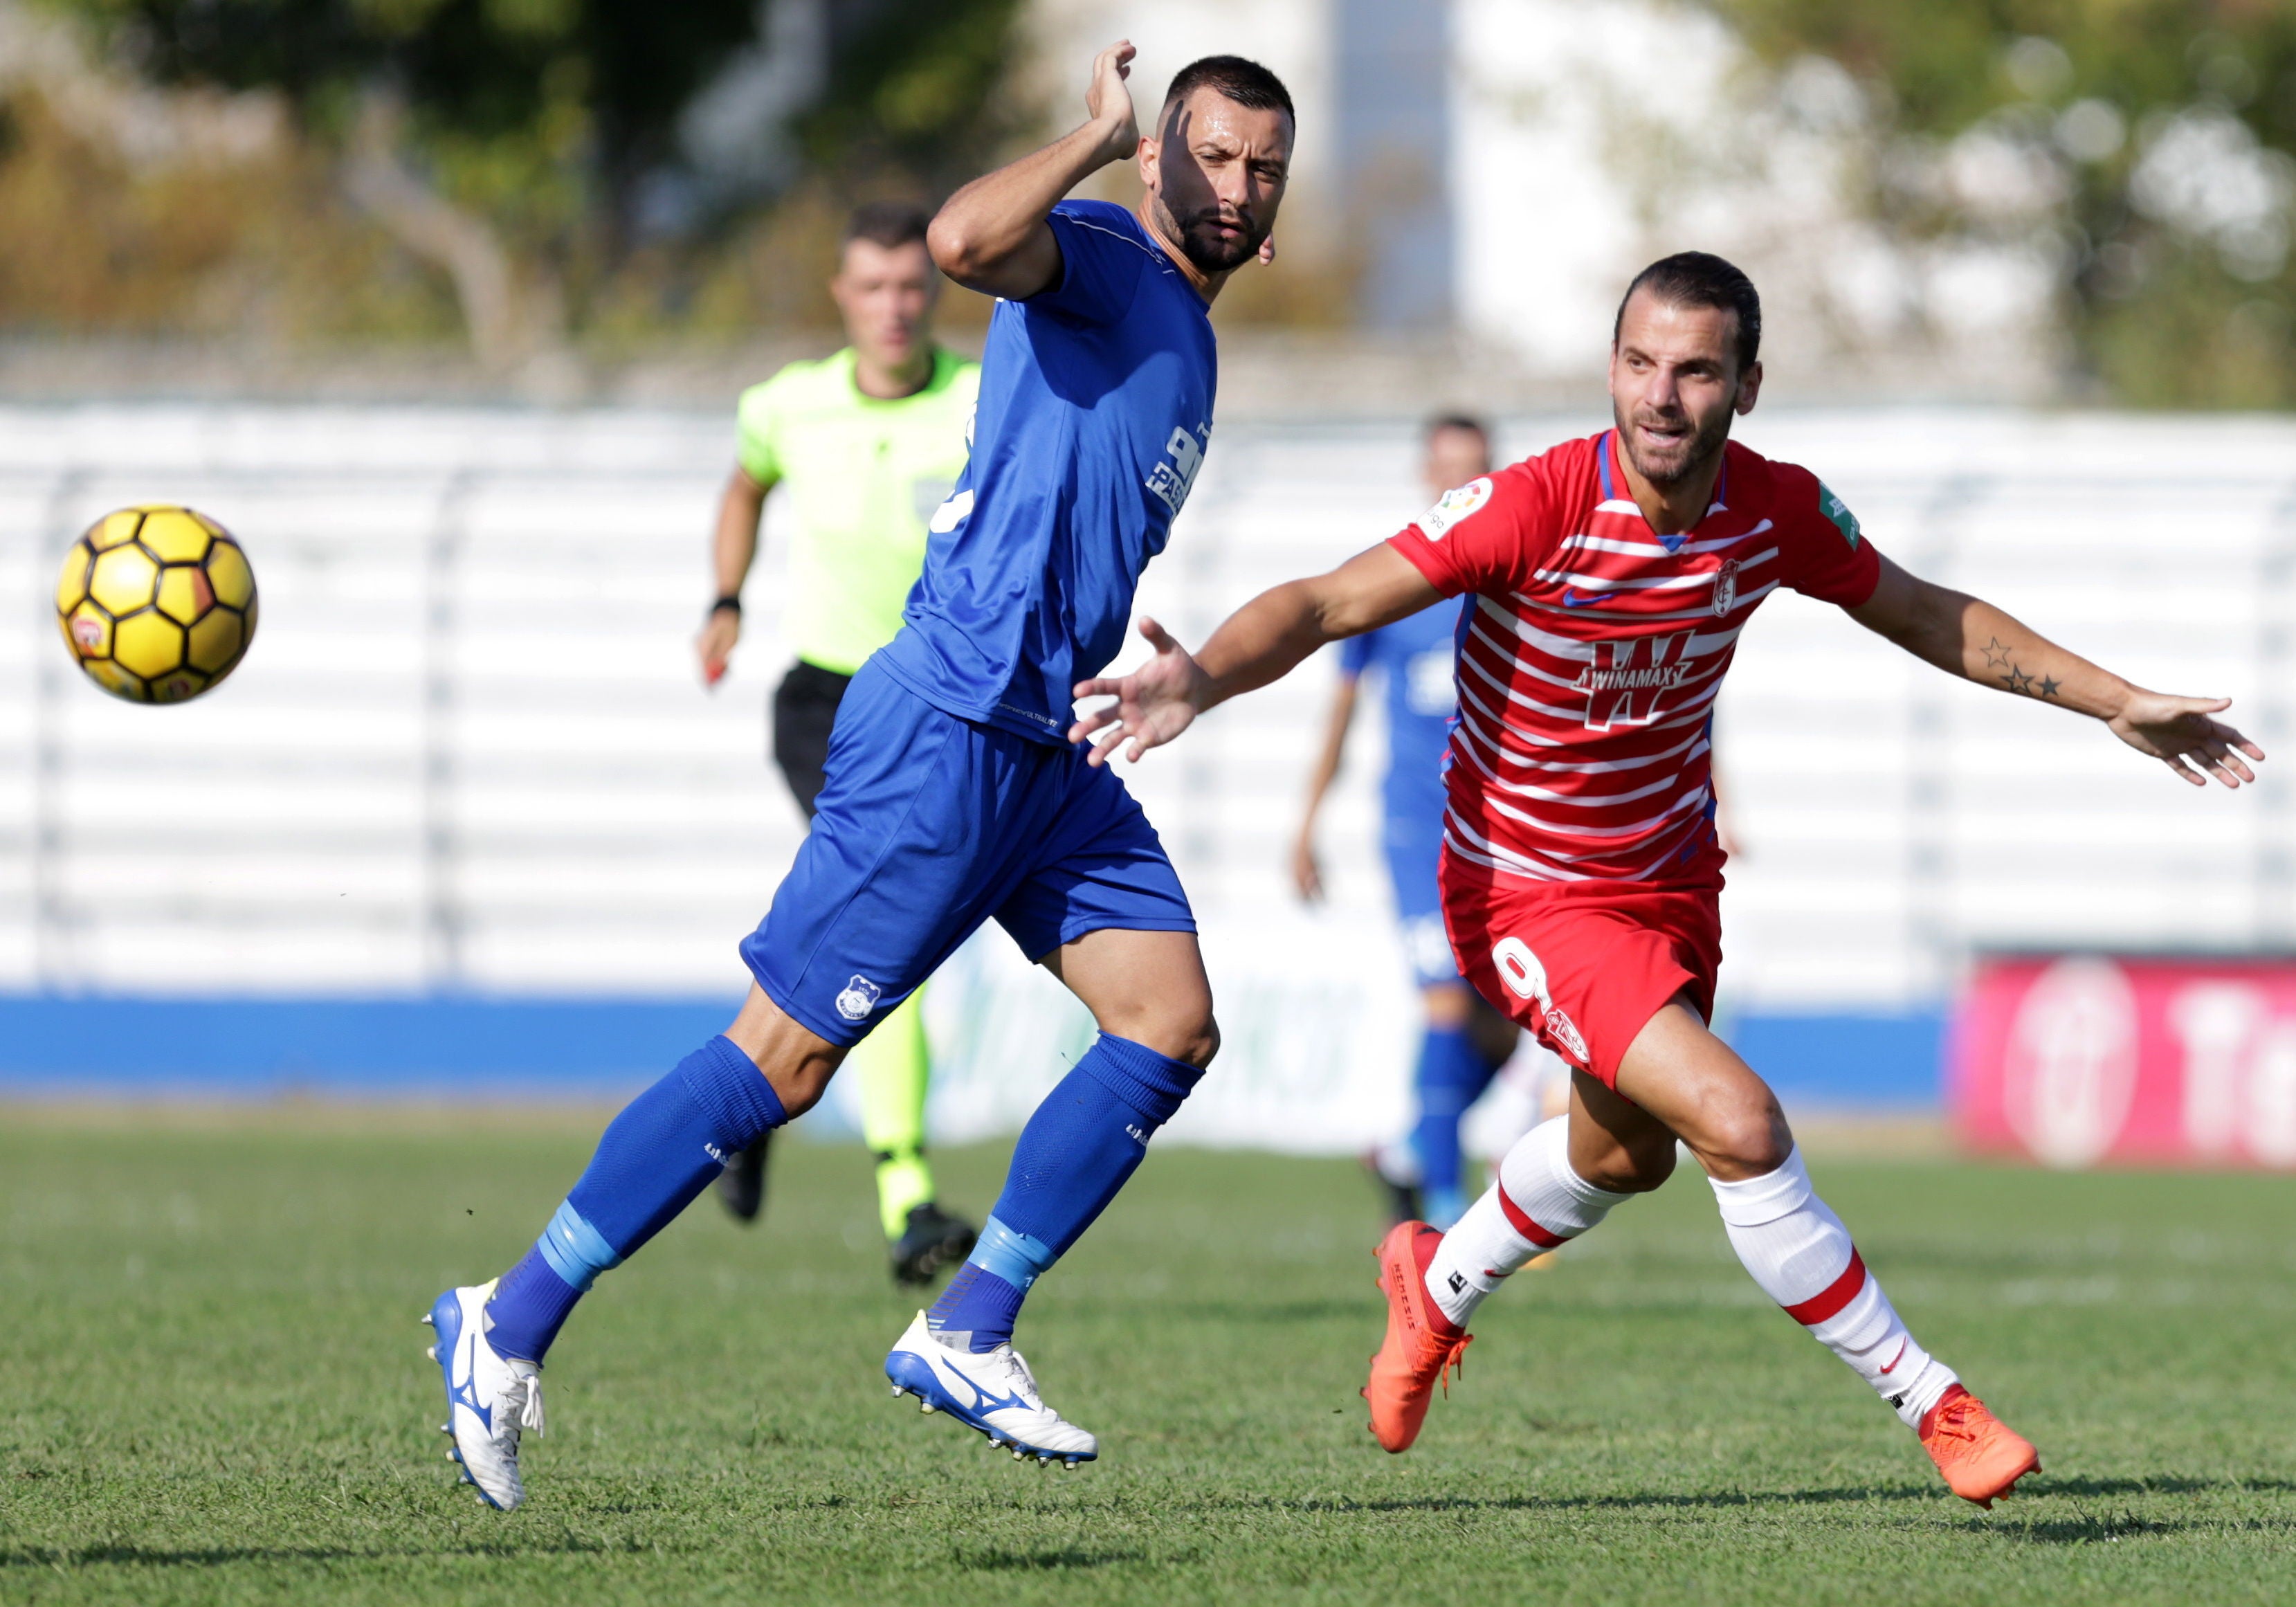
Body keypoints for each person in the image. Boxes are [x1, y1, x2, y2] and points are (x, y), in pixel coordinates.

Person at [1068, 251, 2265, 1507]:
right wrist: (1199, 673)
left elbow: (1924, 611)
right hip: (1523, 888)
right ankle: (1936, 1404)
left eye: (1694, 370)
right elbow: (1324, 600)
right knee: (1738, 1124)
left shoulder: (1773, 508)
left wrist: (2114, 700)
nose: (1659, 396)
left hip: (1669, 879)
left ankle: (1436, 1280)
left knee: (1623, 1156)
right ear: (1609, 370)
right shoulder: (1530, 504)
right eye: (1638, 364)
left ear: (1745, 385)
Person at [426, 43, 1293, 1509]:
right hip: (948, 724)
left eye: (1263, 165)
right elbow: (961, 244)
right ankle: (505, 1322)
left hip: (1049, 749)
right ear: (1160, 161)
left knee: (1169, 1023)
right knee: (786, 1059)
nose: (1237, 185)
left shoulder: (1196, 338)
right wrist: (1090, 141)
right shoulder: (1093, 250)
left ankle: (969, 1323)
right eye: (1210, 154)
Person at [695, 200, 981, 1287]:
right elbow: (744, 479)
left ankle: (749, 1099)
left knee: (845, 924)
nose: (895, 308)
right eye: (874, 287)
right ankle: (906, 1197)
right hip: (826, 703)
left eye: (912, 286)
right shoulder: (789, 405)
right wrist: (724, 596)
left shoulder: (982, 399)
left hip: (943, 703)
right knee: (889, 934)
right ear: (842, 296)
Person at [1292, 414, 1518, 1230]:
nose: (1462, 485)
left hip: (1505, 838)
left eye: (1477, 470)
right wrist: (1307, 822)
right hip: (1420, 833)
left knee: (1501, 1034)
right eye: (1448, 470)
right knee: (1448, 1005)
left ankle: (1407, 1149)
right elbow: (1342, 713)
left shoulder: (1518, 583)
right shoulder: (1391, 585)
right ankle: (1447, 1201)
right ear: (1427, 476)